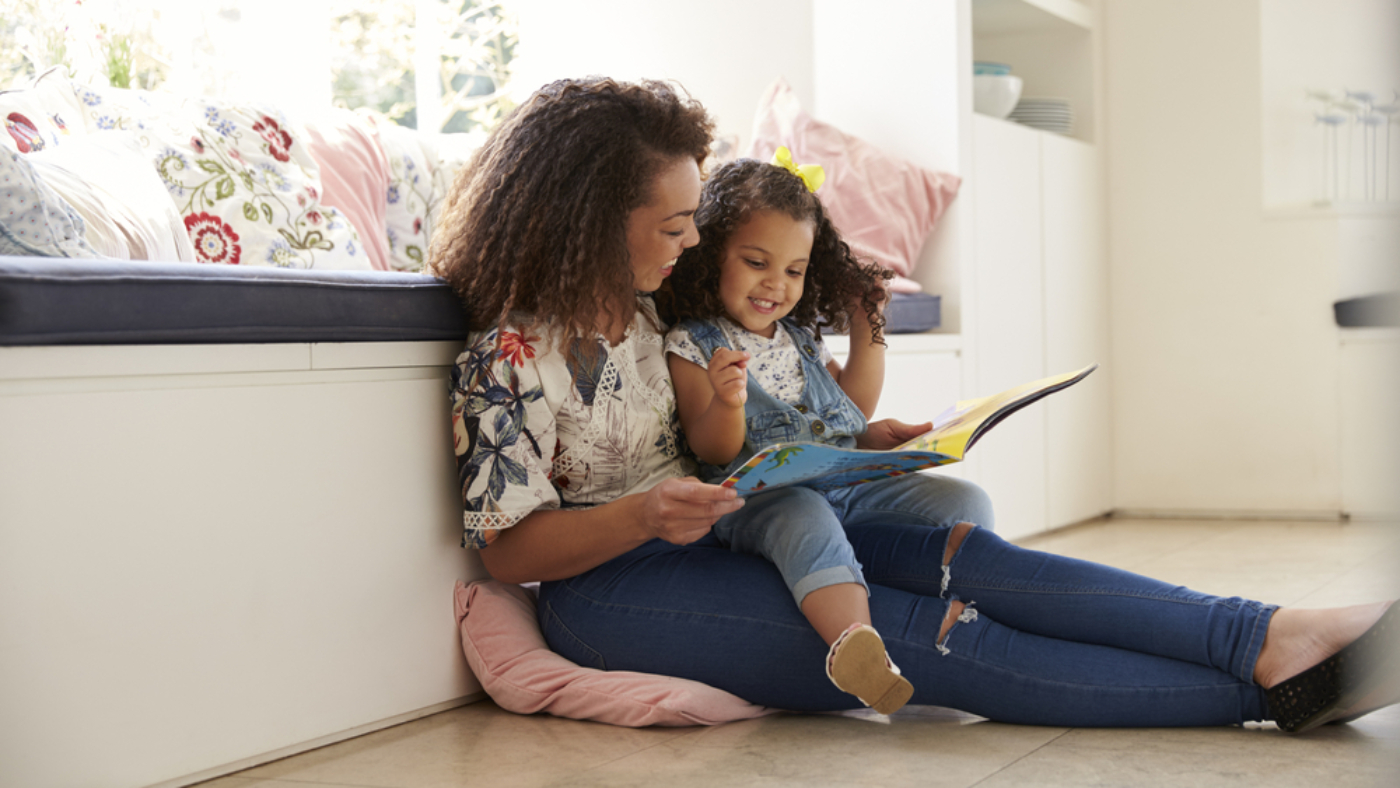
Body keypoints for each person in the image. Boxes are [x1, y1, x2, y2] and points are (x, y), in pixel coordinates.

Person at [431, 75, 1397, 734]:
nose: (689, 245)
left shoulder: (659, 317)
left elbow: (762, 380)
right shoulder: (504, 358)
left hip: (732, 525)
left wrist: (853, 446)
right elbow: (508, 548)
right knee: (933, 638)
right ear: (593, 224)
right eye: (673, 225)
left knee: (976, 561)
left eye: (693, 224)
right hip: (618, 592)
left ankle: (1268, 635)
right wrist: (642, 512)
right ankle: (1266, 694)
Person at [658, 151, 930, 714]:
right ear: (712, 256)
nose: (775, 285)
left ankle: (924, 582)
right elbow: (713, 449)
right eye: (757, 262)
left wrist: (868, 329)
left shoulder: (799, 337)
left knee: (958, 497)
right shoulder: (694, 341)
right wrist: (729, 402)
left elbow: (846, 409)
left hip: (838, 483)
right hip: (757, 501)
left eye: (793, 271)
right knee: (803, 515)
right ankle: (856, 646)